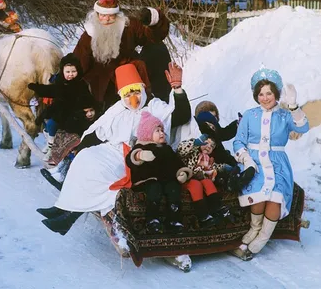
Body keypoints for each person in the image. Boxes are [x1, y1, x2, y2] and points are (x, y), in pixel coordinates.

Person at [36, 61, 196, 236]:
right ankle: (61, 207)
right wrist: (81, 147)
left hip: (137, 156)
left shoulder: (154, 106)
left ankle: (70, 218)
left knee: (98, 172)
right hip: (113, 149)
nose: (132, 98)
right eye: (127, 94)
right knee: (84, 157)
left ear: (141, 90)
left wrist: (178, 89)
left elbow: (181, 115)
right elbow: (98, 130)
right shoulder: (118, 109)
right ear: (122, 96)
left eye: (135, 91)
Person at [231, 67, 309, 261]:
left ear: (276, 94)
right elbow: (238, 141)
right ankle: (254, 228)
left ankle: (263, 237)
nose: (265, 98)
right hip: (254, 163)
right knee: (258, 196)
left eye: (269, 93)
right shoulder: (250, 115)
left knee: (275, 196)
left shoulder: (284, 116)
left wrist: (293, 107)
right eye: (261, 94)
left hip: (278, 164)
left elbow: (303, 127)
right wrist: (247, 160)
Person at [73, 0, 170, 110]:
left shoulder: (128, 26)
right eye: (103, 15)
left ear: (117, 15)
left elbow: (153, 37)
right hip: (101, 77)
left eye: (111, 16)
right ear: (97, 15)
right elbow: (79, 60)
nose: (107, 19)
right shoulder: (89, 35)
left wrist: (152, 19)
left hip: (128, 72)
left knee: (134, 68)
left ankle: (142, 107)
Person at [125, 111, 193, 234]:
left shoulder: (166, 149)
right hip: (147, 179)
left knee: (174, 188)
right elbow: (130, 159)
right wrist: (140, 155)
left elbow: (177, 163)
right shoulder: (141, 146)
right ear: (147, 134)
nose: (162, 133)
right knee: (154, 189)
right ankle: (152, 220)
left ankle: (174, 220)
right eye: (157, 131)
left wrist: (182, 173)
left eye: (162, 130)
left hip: (166, 179)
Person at [28, 53, 93, 165]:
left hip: (73, 114)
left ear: (78, 71)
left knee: (52, 124)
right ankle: (50, 143)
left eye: (73, 71)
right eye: (68, 72)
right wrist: (36, 87)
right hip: (59, 110)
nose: (71, 75)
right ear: (63, 72)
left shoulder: (81, 85)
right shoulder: (60, 83)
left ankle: (52, 149)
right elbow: (50, 90)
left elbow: (87, 99)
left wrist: (89, 109)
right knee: (45, 119)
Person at [177, 134, 234, 227]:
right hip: (187, 177)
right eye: (206, 143)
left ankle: (217, 208)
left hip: (202, 178)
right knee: (195, 184)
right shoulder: (192, 151)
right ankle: (202, 215)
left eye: (212, 146)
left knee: (207, 182)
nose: (208, 147)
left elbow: (215, 167)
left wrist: (224, 167)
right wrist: (195, 143)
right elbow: (181, 150)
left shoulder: (209, 159)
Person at [195, 110, 255, 192]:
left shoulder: (214, 129)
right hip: (211, 160)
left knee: (232, 163)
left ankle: (238, 177)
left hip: (220, 157)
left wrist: (237, 124)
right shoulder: (204, 131)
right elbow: (224, 134)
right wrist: (237, 125)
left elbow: (224, 133)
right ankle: (232, 181)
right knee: (225, 168)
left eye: (216, 116)